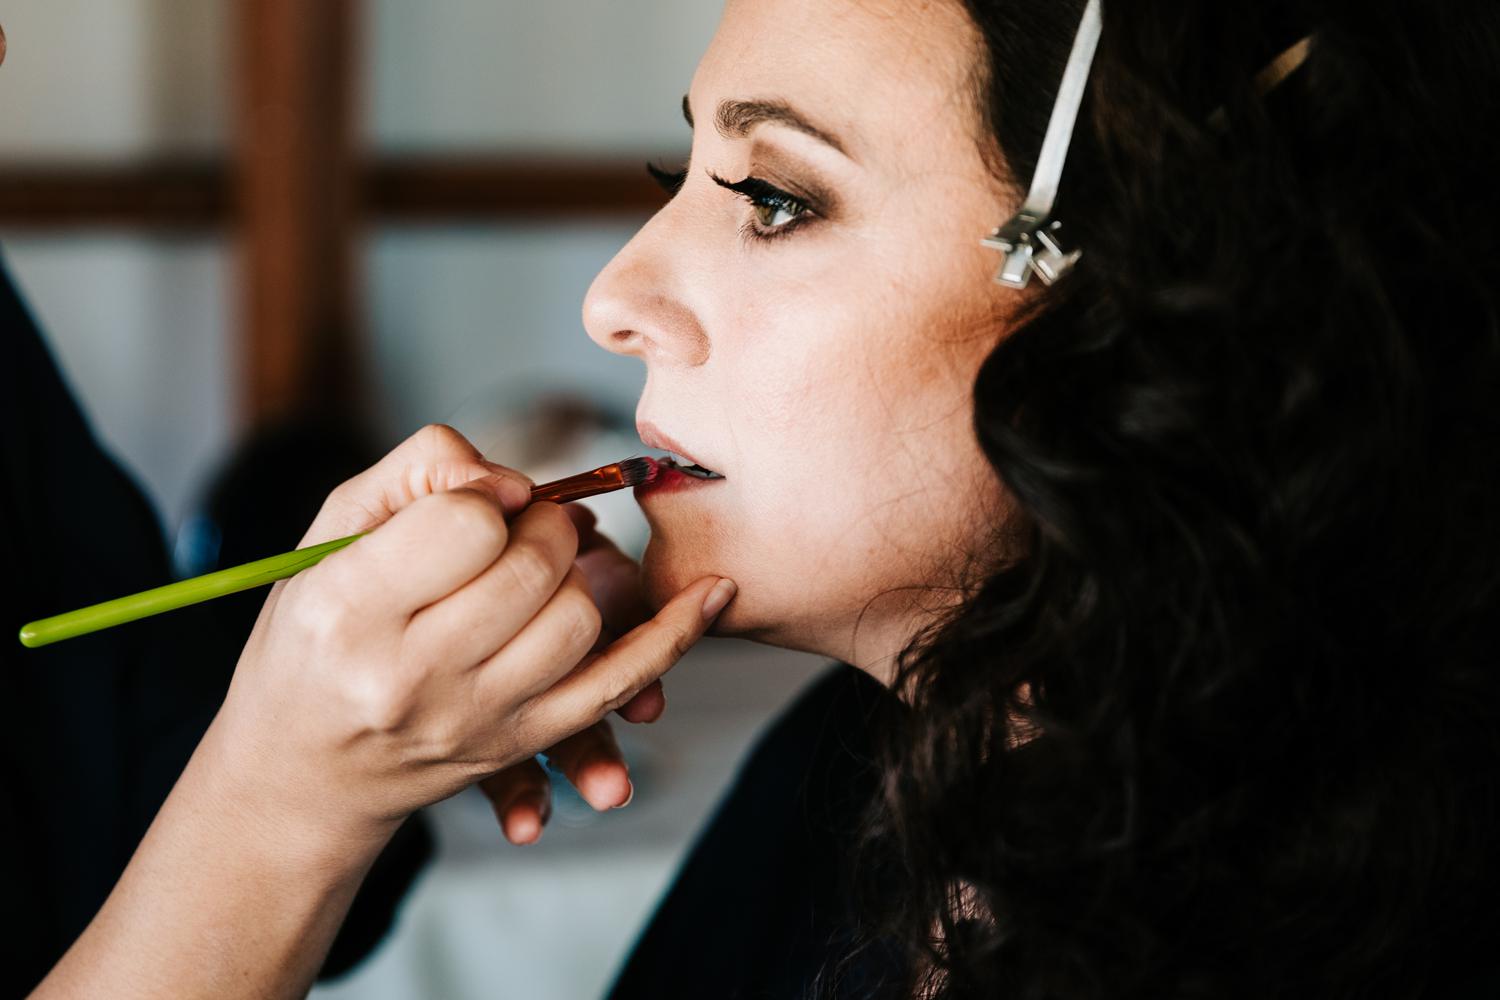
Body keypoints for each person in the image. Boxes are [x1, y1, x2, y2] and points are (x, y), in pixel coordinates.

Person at [21, 0, 1500, 997]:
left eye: (774, 197)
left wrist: (285, 802)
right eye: (685, 171)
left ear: (1146, 295)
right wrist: (282, 799)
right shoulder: (870, 776)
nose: (612, 299)